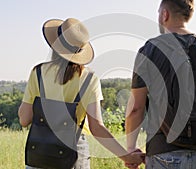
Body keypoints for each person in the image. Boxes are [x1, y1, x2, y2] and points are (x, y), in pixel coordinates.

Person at [18, 18, 144, 169]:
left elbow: (24, 120)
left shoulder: (38, 73)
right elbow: (96, 127)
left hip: (41, 152)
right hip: (74, 153)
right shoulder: (89, 79)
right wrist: (126, 156)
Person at [125, 0, 196, 168]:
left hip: (163, 152)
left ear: (165, 14)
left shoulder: (150, 49)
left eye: (159, 13)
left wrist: (130, 148)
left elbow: (136, 107)